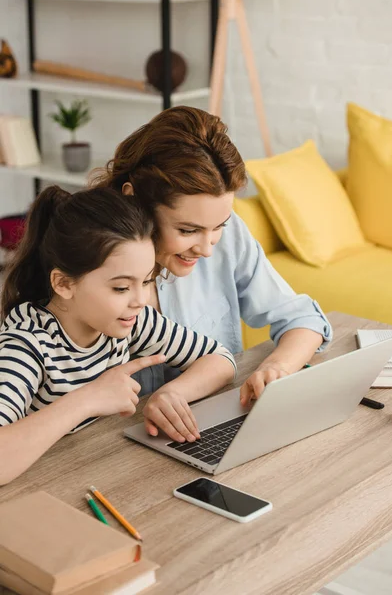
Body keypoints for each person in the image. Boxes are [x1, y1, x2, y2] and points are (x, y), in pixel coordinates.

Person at [91, 106, 333, 437]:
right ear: (135, 201)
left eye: (218, 225)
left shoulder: (228, 236)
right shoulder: (86, 265)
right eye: (188, 230)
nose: (207, 249)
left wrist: (276, 369)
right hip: (106, 450)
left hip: (204, 430)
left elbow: (303, 319)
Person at [0, 185, 237, 485]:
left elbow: (220, 359)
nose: (139, 299)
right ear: (63, 284)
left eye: (146, 281)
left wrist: (172, 393)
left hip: (94, 475)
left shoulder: (130, 320)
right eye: (121, 288)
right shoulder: (26, 345)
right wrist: (88, 399)